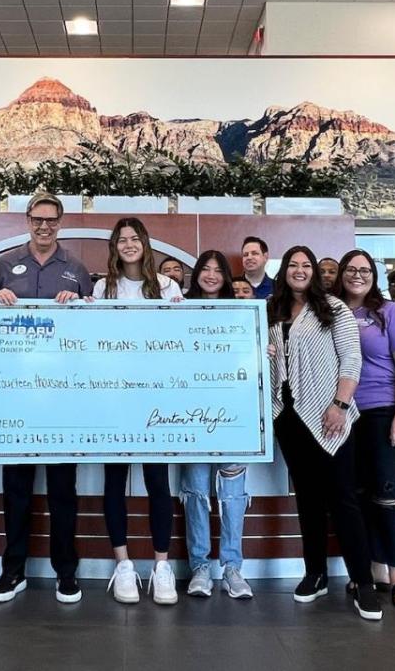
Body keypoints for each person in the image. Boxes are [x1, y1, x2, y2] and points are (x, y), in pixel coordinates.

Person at [0, 193, 93, 605]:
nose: (44, 226)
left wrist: (80, 307)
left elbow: (93, 331)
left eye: (51, 220)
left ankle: (66, 572)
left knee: (63, 490)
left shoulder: (77, 269)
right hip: (15, 398)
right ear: (27, 220)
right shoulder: (3, 265)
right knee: (16, 489)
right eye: (37, 219)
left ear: (60, 223)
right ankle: (13, 572)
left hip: (65, 398)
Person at [269, 245, 382, 621]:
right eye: (293, 264)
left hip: (327, 414)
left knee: (344, 499)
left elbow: (352, 359)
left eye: (306, 265)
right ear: (284, 270)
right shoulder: (271, 309)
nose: (299, 270)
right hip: (287, 416)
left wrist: (340, 404)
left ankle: (363, 584)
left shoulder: (333, 309)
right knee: (308, 499)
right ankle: (314, 573)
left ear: (315, 272)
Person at [93, 218, 184, 605]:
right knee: (114, 482)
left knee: (157, 483)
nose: (129, 245)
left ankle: (161, 567)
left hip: (156, 400)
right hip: (113, 398)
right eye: (122, 240)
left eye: (135, 239)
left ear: (145, 244)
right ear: (114, 247)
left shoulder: (168, 286)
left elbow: (182, 339)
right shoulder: (103, 287)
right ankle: (124, 564)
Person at [334, 249, 395, 607]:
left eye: (365, 270)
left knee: (387, 493)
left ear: (373, 275)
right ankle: (371, 569)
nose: (357, 275)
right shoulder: (331, 311)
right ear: (341, 275)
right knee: (357, 495)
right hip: (342, 416)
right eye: (351, 270)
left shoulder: (388, 312)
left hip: (383, 411)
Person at [178, 250, 253, 600]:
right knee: (194, 492)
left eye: (217, 270)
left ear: (226, 276)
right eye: (204, 270)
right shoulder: (180, 308)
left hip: (233, 415)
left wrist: (261, 351)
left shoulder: (242, 311)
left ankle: (233, 568)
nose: (210, 275)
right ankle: (200, 568)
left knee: (234, 496)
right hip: (189, 415)